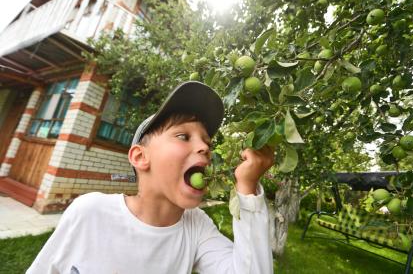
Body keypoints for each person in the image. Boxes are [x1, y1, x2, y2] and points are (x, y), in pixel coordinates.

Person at [27, 81, 274, 274]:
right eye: (183, 136)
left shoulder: (196, 227)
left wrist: (248, 188)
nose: (205, 148)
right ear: (140, 157)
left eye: (206, 141)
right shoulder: (90, 212)